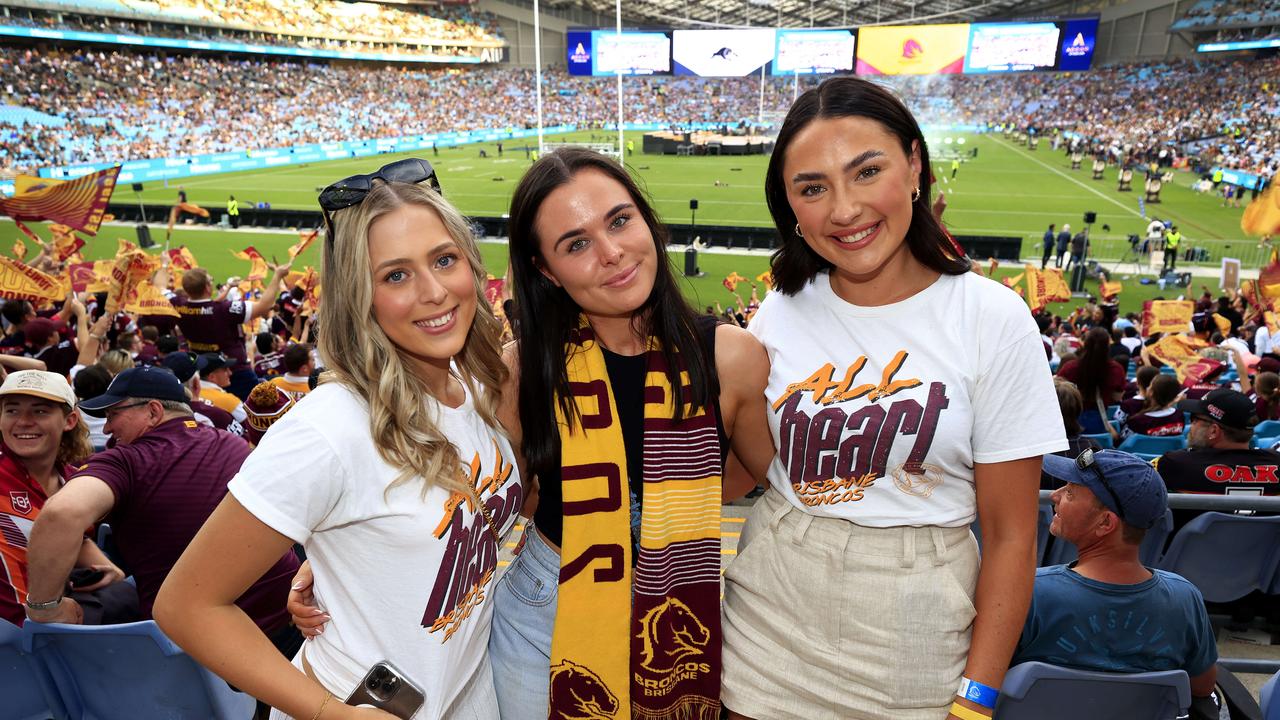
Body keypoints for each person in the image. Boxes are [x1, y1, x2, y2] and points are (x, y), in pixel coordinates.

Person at [723, 76, 1066, 720]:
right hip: (773, 598)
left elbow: (1013, 534)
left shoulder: (991, 316)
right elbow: (757, 465)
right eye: (812, 188)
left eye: (867, 171)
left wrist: (978, 695)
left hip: (918, 619)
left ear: (914, 164)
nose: (844, 209)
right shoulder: (781, 306)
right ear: (790, 206)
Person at [154, 162, 520, 719]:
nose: (435, 290)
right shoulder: (326, 428)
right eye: (396, 275)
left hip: (468, 696)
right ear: (358, 295)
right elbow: (186, 606)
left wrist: (337, 562)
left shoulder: (471, 385)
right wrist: (334, 714)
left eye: (444, 259)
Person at [484, 148, 771, 718]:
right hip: (545, 606)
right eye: (575, 244)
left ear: (645, 218)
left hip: (677, 606)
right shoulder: (520, 370)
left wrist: (666, 505)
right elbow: (494, 499)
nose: (612, 253)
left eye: (619, 220)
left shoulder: (732, 356)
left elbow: (759, 473)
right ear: (546, 270)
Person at [22, 366, 299, 654]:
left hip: (199, 656)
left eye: (113, 414)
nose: (106, 428)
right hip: (287, 626)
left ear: (153, 411)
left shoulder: (127, 461)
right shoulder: (234, 444)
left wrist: (45, 609)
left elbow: (60, 515)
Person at [1020, 450, 1219, 720]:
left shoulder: (1029, 592)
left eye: (1070, 493)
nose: (1055, 496)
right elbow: (1202, 687)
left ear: (1105, 523)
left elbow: (984, 682)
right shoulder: (1185, 597)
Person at [0, 370, 104, 626]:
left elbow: (77, 541)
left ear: (69, 420)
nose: (23, 421)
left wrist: (108, 571)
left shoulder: (74, 480)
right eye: (11, 411)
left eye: (40, 411)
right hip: (17, 640)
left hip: (53, 631)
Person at [159, 261, 291, 400]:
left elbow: (159, 285)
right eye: (211, 280)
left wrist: (164, 263)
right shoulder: (223, 310)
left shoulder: (177, 305)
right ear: (207, 288)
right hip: (235, 371)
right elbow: (264, 305)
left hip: (203, 370)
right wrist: (277, 275)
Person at [1156, 388, 1278, 497]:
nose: (1191, 425)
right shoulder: (1276, 462)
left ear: (1214, 431)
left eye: (1194, 419)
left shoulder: (1173, 464)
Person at [1119, 374, 1185, 439]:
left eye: (1150, 385)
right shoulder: (1179, 415)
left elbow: (1121, 442)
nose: (1147, 388)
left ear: (1151, 392)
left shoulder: (1137, 421)